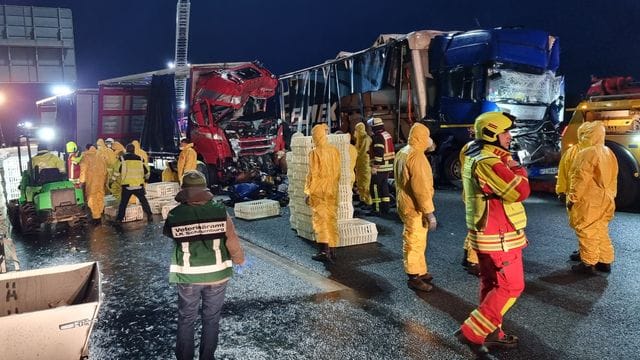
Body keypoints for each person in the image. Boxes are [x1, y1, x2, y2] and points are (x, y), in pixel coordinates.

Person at [455, 112, 530, 358]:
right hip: (499, 235)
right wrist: (516, 164)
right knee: (511, 287)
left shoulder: (474, 152)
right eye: (505, 132)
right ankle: (473, 332)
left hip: (487, 233)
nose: (509, 137)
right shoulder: (490, 161)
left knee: (491, 284)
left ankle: (492, 332)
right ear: (491, 133)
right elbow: (520, 190)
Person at [163, 170, 245, 360]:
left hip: (189, 275)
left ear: (184, 191)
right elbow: (231, 240)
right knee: (211, 318)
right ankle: (207, 357)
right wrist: (239, 260)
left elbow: (169, 233)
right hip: (217, 275)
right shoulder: (219, 210)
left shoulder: (175, 214)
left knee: (186, 319)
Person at [567, 121, 618, 274]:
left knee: (587, 230)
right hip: (606, 198)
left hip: (590, 199)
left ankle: (588, 264)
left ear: (585, 135)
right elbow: (614, 177)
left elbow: (580, 178)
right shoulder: (608, 152)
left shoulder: (586, 153)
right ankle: (605, 261)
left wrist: (572, 198)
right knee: (601, 229)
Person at [394, 123, 437, 292]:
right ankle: (413, 276)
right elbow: (421, 188)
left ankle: (420, 270)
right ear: (422, 138)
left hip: (405, 202)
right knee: (414, 240)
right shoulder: (417, 157)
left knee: (418, 238)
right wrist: (429, 212)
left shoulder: (403, 152)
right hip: (415, 206)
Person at [556, 121, 593, 261]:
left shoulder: (574, 152)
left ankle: (588, 260)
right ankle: (602, 259)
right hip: (599, 198)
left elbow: (564, 173)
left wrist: (562, 192)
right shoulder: (604, 152)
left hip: (578, 197)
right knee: (597, 229)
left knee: (583, 228)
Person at [304, 123, 341, 262]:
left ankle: (324, 251)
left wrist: (308, 192)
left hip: (319, 191)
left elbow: (312, 174)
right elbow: (338, 172)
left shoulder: (315, 153)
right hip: (332, 190)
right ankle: (332, 249)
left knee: (321, 221)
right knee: (331, 219)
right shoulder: (334, 150)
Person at [115, 143, 153, 222]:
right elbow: (147, 172)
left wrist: (112, 181)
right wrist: (146, 179)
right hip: (139, 185)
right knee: (143, 201)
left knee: (123, 203)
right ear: (134, 150)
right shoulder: (140, 159)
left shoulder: (122, 159)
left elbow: (116, 172)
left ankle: (119, 219)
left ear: (126, 150)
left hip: (127, 186)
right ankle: (149, 215)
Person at [369, 117, 395, 216]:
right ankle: (386, 207)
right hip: (387, 166)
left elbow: (379, 152)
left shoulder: (378, 136)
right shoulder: (386, 134)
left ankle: (376, 209)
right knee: (384, 187)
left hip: (381, 167)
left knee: (374, 187)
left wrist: (375, 166)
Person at [79, 145, 108, 224]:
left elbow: (83, 170)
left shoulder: (86, 157)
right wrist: (105, 180)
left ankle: (96, 217)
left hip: (91, 181)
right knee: (100, 196)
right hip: (101, 180)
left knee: (92, 197)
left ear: (87, 149)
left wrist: (81, 181)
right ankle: (100, 211)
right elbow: (106, 170)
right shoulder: (101, 157)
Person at [354, 122, 373, 207]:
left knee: (366, 182)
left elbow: (363, 151)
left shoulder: (366, 139)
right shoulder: (359, 139)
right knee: (360, 182)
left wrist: (354, 153)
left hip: (365, 163)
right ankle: (362, 199)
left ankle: (368, 202)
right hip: (360, 164)